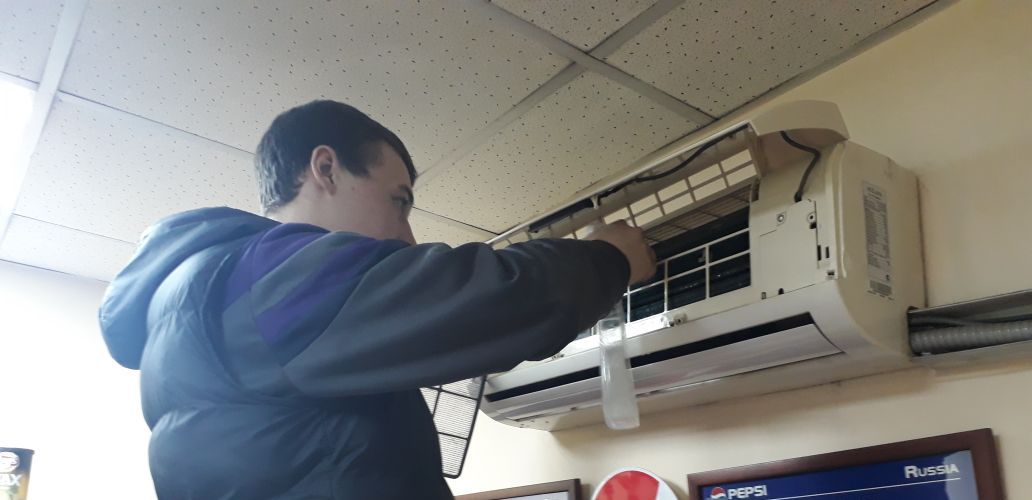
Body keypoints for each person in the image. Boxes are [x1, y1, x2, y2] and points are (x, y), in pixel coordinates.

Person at [99, 100, 655, 499]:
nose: (406, 237)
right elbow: (491, 299)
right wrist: (610, 258)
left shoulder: (196, 307)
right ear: (326, 169)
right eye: (398, 201)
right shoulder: (269, 275)